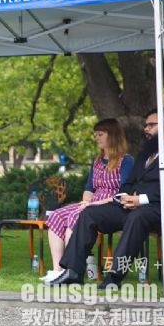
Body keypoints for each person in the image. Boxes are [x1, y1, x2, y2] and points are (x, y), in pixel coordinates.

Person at [49, 108, 164, 289]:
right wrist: (125, 197)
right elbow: (128, 183)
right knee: (90, 213)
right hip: (132, 206)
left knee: (137, 217)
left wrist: (141, 199)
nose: (146, 129)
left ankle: (114, 277)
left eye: (151, 125)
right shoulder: (146, 154)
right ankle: (73, 271)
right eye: (146, 125)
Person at [42, 118, 133, 282]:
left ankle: (70, 270)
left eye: (100, 134)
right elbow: (89, 188)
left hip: (112, 205)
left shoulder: (126, 161)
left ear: (112, 135)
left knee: (74, 217)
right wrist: (85, 202)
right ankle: (57, 270)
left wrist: (93, 204)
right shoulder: (97, 161)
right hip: (91, 203)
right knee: (56, 216)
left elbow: (123, 193)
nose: (96, 138)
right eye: (95, 134)